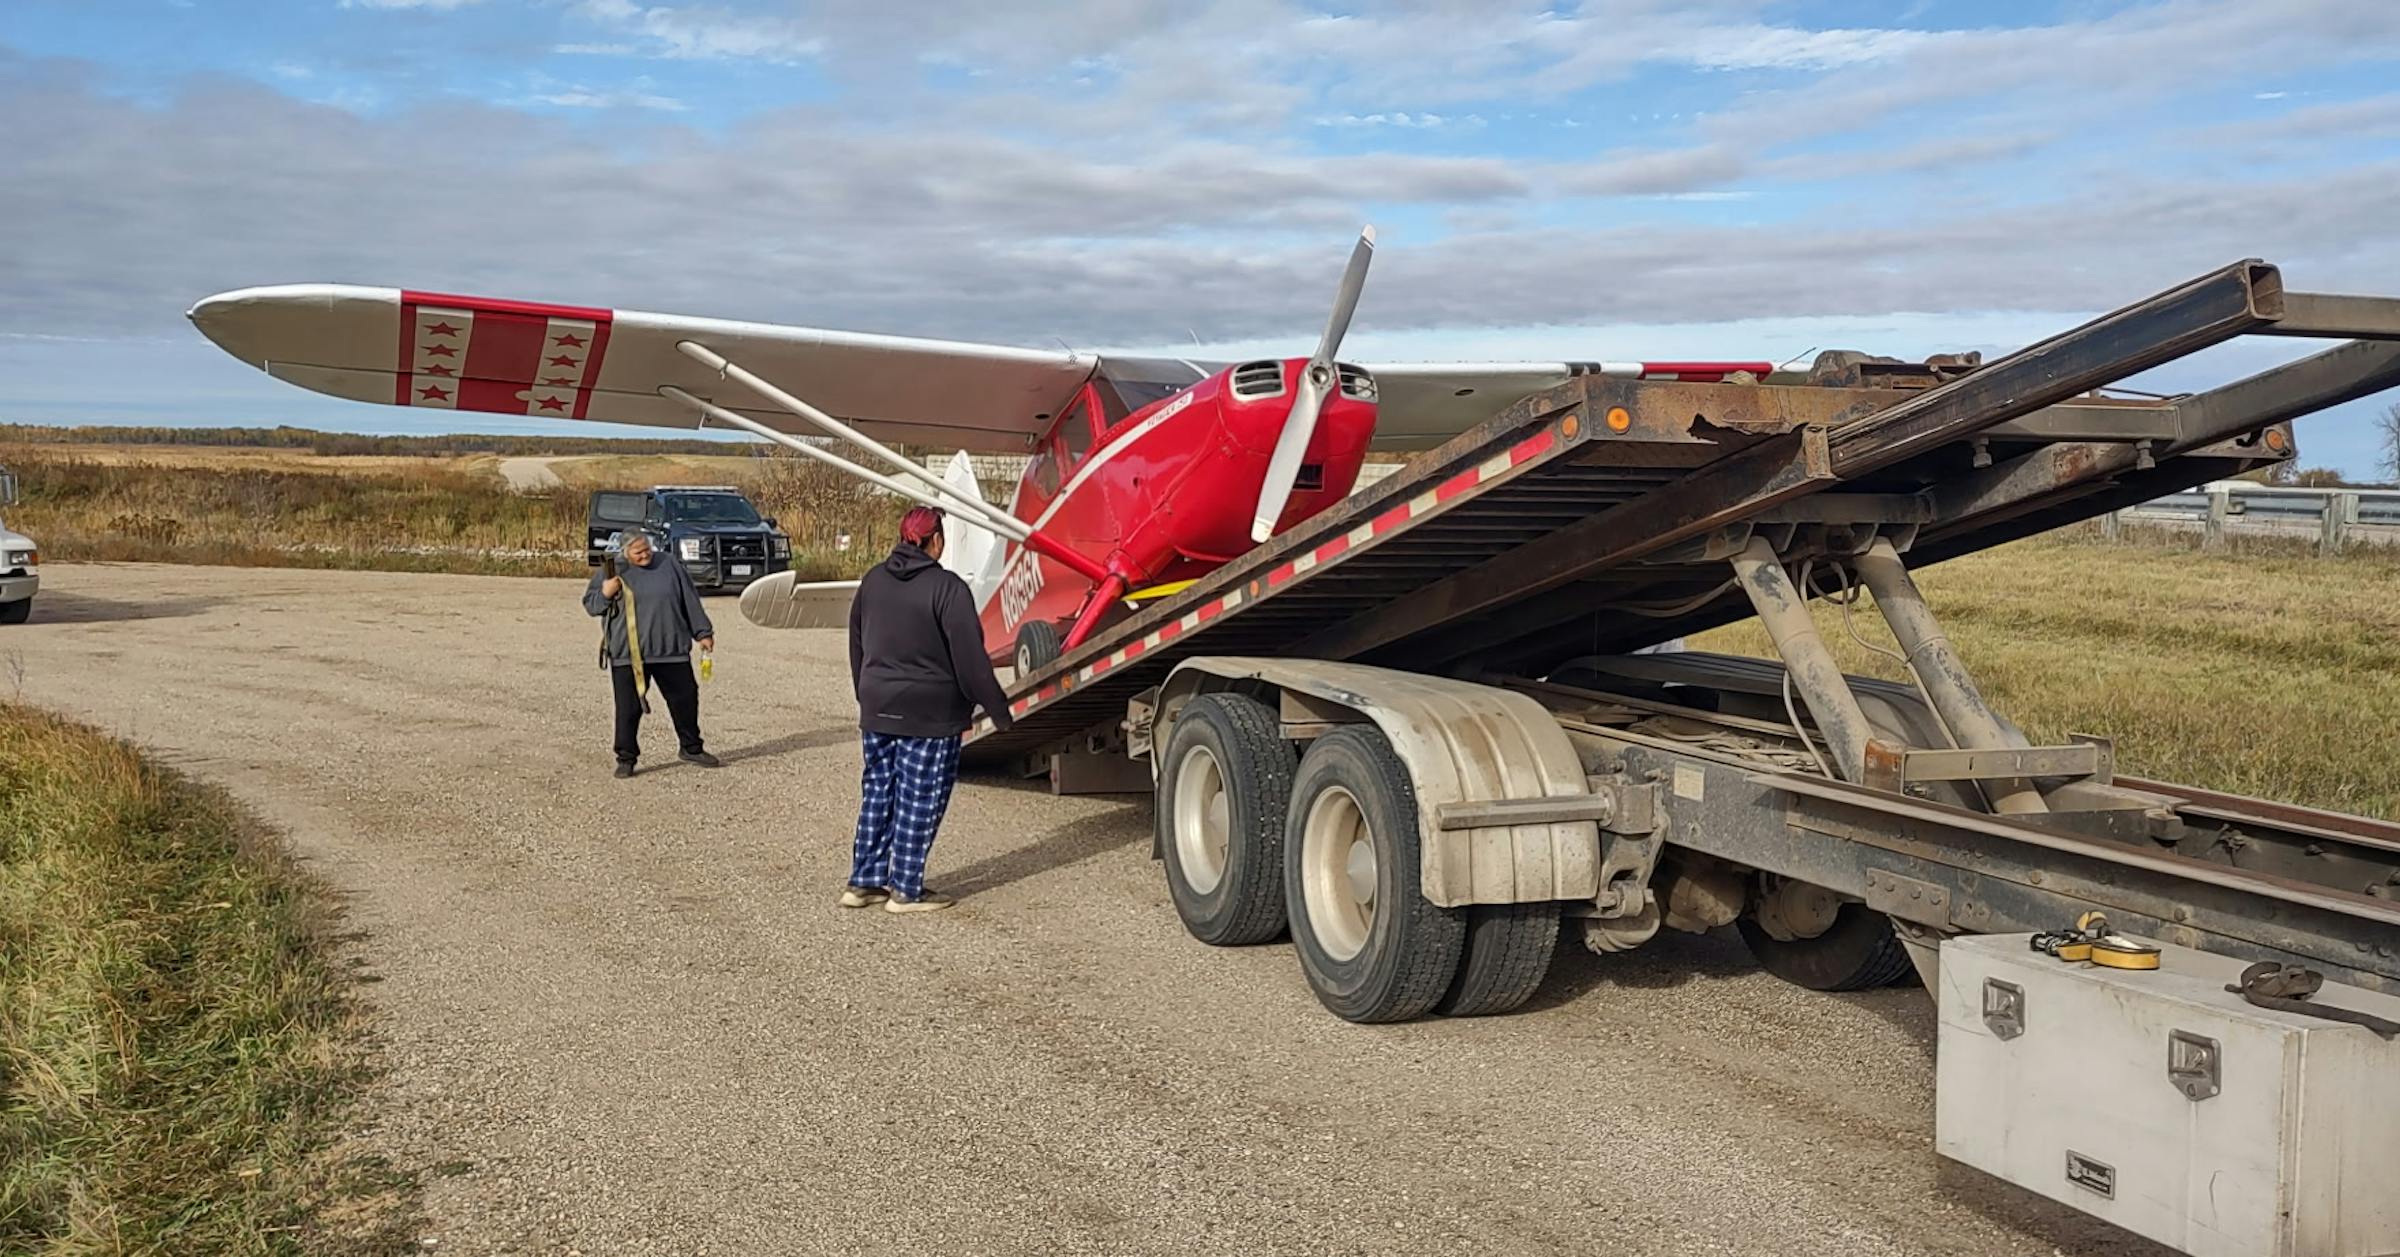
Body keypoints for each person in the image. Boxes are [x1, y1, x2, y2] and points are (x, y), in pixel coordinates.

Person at [843, 506, 1014, 913]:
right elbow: (971, 660)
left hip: (878, 706)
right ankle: (906, 889)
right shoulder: (948, 588)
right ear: (936, 539)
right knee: (920, 797)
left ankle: (863, 882)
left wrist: (866, 694)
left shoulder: (872, 581)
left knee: (878, 792)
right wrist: (999, 710)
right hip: (930, 713)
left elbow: (857, 644)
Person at [583, 531, 721, 778]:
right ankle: (626, 758)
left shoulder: (669, 564)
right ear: (625, 552)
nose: (645, 555)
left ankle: (691, 748)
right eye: (638, 552)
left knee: (685, 700)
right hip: (629, 655)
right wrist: (605, 592)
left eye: (647, 549)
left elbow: (689, 599)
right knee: (628, 709)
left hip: (671, 650)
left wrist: (703, 632)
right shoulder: (612, 570)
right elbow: (592, 606)